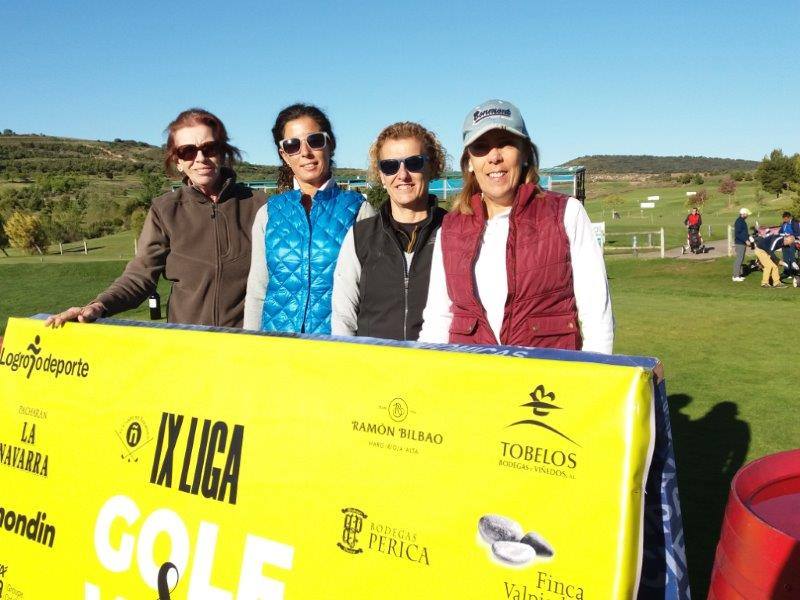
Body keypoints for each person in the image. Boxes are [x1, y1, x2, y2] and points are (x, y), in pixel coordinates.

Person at [418, 99, 614, 353]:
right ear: (469, 162)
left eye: (506, 144)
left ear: (525, 154)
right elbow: (438, 319)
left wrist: (594, 380)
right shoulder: (450, 229)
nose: (494, 157)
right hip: (473, 383)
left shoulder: (566, 213)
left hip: (548, 386)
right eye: (481, 147)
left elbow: (597, 315)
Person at [46, 108, 265, 328]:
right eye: (188, 151)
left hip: (248, 346)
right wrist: (98, 305)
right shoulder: (165, 210)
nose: (200, 158)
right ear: (178, 161)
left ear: (223, 153)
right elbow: (140, 275)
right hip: (186, 346)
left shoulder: (260, 206)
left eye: (210, 148)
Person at [244, 104, 375, 333]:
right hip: (278, 350)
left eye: (314, 140)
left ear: (329, 144)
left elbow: (372, 294)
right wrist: (251, 345)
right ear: (284, 155)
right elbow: (258, 290)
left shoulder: (360, 210)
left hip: (336, 350)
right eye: (293, 145)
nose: (305, 152)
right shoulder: (268, 213)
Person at [332, 122, 447, 341]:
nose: (402, 174)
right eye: (390, 166)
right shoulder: (360, 236)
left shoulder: (454, 233)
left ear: (431, 167)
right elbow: (343, 317)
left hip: (435, 367)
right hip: (372, 369)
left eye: (413, 163)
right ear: (382, 176)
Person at [778, 211, 800, 278]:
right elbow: (780, 231)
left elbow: (797, 233)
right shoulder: (784, 224)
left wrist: (790, 235)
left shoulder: (794, 223)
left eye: (786, 219)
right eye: (784, 219)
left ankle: (794, 272)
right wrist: (782, 234)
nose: (785, 220)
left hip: (792, 242)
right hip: (784, 242)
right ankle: (787, 272)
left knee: (792, 258)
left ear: (789, 217)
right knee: (785, 258)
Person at [732, 208, 750, 282]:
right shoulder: (739, 221)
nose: (747, 215)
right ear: (743, 214)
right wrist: (745, 240)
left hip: (742, 243)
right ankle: (735, 276)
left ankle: (738, 275)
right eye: (747, 214)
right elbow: (738, 233)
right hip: (740, 243)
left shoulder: (742, 221)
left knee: (741, 258)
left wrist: (749, 238)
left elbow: (744, 232)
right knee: (739, 259)